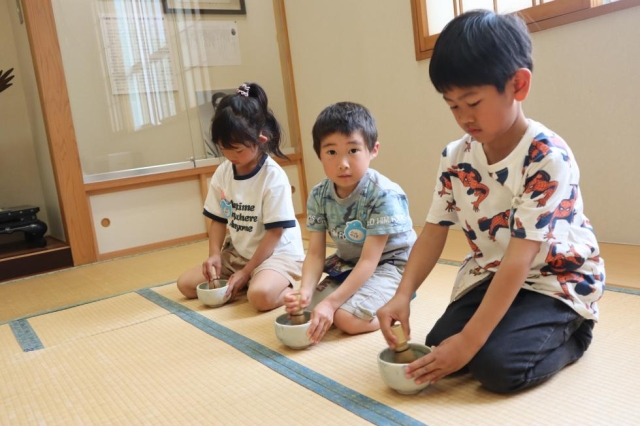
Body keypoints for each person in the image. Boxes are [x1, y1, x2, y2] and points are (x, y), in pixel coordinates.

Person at [378, 9, 605, 394]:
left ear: (518, 85)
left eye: (472, 102)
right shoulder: (455, 156)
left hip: (555, 279)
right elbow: (434, 230)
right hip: (495, 275)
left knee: (496, 367)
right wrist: (402, 294)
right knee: (439, 347)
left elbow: (521, 257)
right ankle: (507, 330)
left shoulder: (547, 157)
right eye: (452, 105)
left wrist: (471, 342)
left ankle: (576, 331)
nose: (464, 117)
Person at [284, 102, 416, 344]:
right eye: (331, 152)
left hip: (392, 266)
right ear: (319, 154)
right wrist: (305, 290)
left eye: (353, 151)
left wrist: (332, 303)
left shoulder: (383, 194)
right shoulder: (318, 195)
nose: (342, 163)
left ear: (373, 150)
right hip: (349, 263)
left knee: (345, 318)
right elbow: (314, 253)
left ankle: (393, 307)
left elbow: (370, 260)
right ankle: (352, 299)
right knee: (307, 307)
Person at [177, 82, 304, 312]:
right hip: (239, 254)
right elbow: (218, 220)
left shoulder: (272, 176)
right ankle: (250, 280)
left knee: (260, 298)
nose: (230, 156)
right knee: (186, 285)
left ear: (260, 140)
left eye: (238, 150)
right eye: (224, 148)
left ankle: (282, 287)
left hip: (277, 254)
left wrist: (246, 272)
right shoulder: (224, 172)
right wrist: (214, 255)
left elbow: (275, 233)